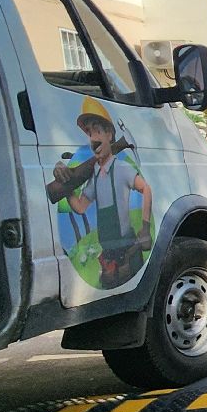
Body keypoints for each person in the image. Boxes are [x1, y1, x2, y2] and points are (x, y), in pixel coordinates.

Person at [62, 98, 152, 286]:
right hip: (108, 254)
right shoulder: (95, 176)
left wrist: (145, 227)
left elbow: (146, 188)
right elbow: (80, 207)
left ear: (109, 134)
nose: (93, 139)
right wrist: (66, 188)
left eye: (97, 131)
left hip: (128, 250)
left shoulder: (121, 169)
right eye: (90, 133)